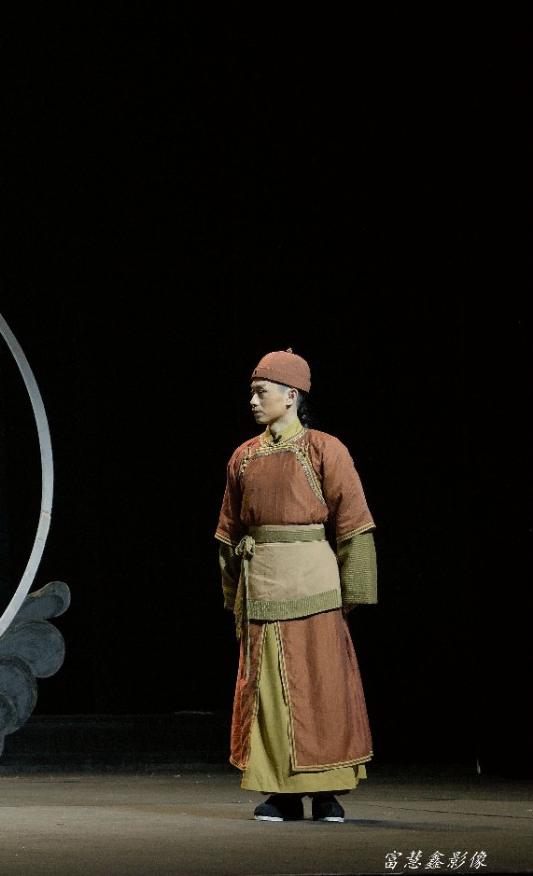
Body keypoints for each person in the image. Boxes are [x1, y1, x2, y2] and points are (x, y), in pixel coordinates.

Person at [215, 348, 377, 823]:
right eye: (251, 392)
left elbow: (353, 522)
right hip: (264, 585)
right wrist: (234, 592)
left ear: (291, 395)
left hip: (314, 588)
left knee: (323, 688)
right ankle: (281, 794)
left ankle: (326, 793)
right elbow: (229, 532)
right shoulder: (244, 456)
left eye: (261, 392)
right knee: (268, 693)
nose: (253, 400)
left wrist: (352, 592)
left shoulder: (325, 449)